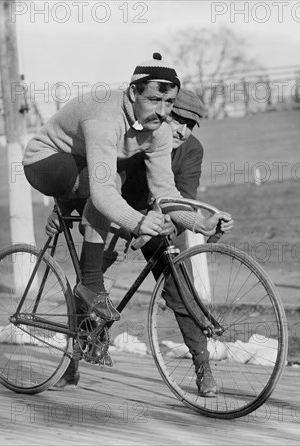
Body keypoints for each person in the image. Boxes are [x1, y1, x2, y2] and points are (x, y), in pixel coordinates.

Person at [49, 89, 234, 396]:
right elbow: (98, 180)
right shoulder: (136, 135)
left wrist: (193, 223)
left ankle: (203, 368)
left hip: (160, 222)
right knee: (93, 288)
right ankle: (71, 364)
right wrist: (64, 210)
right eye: (177, 120)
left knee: (180, 290)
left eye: (190, 125)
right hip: (121, 216)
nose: (182, 130)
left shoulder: (191, 150)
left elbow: (183, 199)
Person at [23, 53, 226, 327]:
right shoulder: (105, 117)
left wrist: (200, 223)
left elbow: (165, 191)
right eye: (154, 100)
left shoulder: (160, 131)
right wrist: (140, 222)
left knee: (105, 183)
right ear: (133, 92)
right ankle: (91, 286)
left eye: (168, 102)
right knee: (108, 185)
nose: (163, 111)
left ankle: (82, 333)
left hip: (82, 162)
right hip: (44, 161)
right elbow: (104, 192)